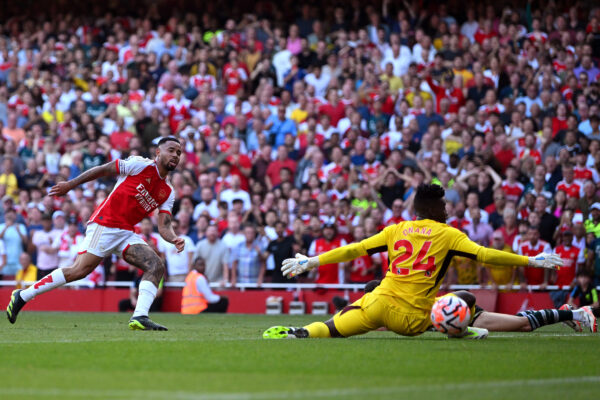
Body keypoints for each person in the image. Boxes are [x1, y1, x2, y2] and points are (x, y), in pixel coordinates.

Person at [263, 184, 563, 339]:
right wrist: (532, 261)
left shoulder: (396, 229)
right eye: (443, 204)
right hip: (414, 319)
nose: (446, 208)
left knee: (327, 329)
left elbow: (355, 249)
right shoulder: (449, 234)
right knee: (466, 300)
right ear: (436, 208)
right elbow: (485, 255)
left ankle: (298, 332)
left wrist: (312, 261)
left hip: (376, 304)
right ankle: (460, 328)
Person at [6, 137, 185, 331]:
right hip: (105, 224)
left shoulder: (168, 192)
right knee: (79, 270)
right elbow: (103, 169)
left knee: (156, 266)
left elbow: (164, 225)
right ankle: (23, 295)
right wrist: (71, 184)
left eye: (179, 153)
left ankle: (140, 316)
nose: (175, 155)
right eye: (171, 150)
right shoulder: (139, 165)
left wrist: (174, 238)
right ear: (158, 152)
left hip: (125, 232)